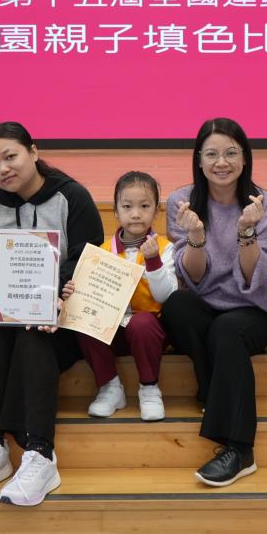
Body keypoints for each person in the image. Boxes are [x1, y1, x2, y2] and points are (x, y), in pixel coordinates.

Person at [0, 122, 103, 507]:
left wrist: (55, 296)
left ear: (33, 152)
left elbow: (89, 258)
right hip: (12, 316)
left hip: (64, 318)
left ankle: (40, 452)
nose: (2, 169)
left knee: (32, 331)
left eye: (10, 157)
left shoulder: (72, 197)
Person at [163, 118, 267, 487]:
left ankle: (240, 449)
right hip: (205, 305)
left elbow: (254, 276)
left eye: (231, 153)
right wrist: (196, 235)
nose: (222, 162)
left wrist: (247, 231)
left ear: (245, 158)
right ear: (199, 160)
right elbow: (193, 277)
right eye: (211, 154)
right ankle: (213, 389)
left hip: (250, 310)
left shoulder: (264, 204)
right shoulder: (182, 202)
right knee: (177, 307)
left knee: (226, 330)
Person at [80, 171, 177, 422]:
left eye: (144, 206)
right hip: (114, 332)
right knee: (83, 316)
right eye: (127, 206)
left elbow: (166, 296)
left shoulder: (166, 248)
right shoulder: (102, 252)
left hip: (152, 333)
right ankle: (110, 387)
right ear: (115, 211)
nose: (135, 214)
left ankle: (149, 388)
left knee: (141, 322)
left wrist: (153, 261)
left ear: (157, 211)